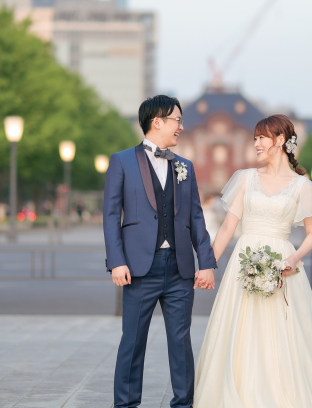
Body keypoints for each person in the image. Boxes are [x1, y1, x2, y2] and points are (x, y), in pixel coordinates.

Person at [194, 114, 312, 408]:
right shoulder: (246, 178)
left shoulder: (302, 186)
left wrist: (293, 258)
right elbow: (228, 227)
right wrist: (207, 264)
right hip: (244, 260)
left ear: (280, 140)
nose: (256, 143)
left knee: (281, 332)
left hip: (282, 263)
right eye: (255, 138)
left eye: (261, 138)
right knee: (240, 327)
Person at [104, 95, 217, 408]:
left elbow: (196, 218)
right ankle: (126, 404)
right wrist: (117, 261)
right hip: (139, 267)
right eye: (177, 120)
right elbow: (111, 216)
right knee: (133, 340)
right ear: (157, 122)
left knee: (180, 340)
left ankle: (183, 403)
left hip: (180, 268)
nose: (181, 126)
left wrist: (206, 262)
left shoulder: (184, 166)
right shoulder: (121, 161)